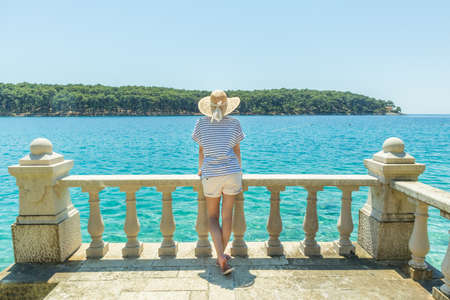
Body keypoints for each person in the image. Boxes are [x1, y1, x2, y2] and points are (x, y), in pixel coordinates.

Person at [192, 90, 245, 275]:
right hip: (232, 173)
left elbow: (201, 151)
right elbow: (236, 151)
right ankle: (222, 255)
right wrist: (239, 169)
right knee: (227, 216)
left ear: (210, 106)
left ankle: (221, 255)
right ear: (227, 105)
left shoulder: (201, 124)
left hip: (211, 175)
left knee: (213, 217)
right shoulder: (235, 123)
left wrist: (200, 169)